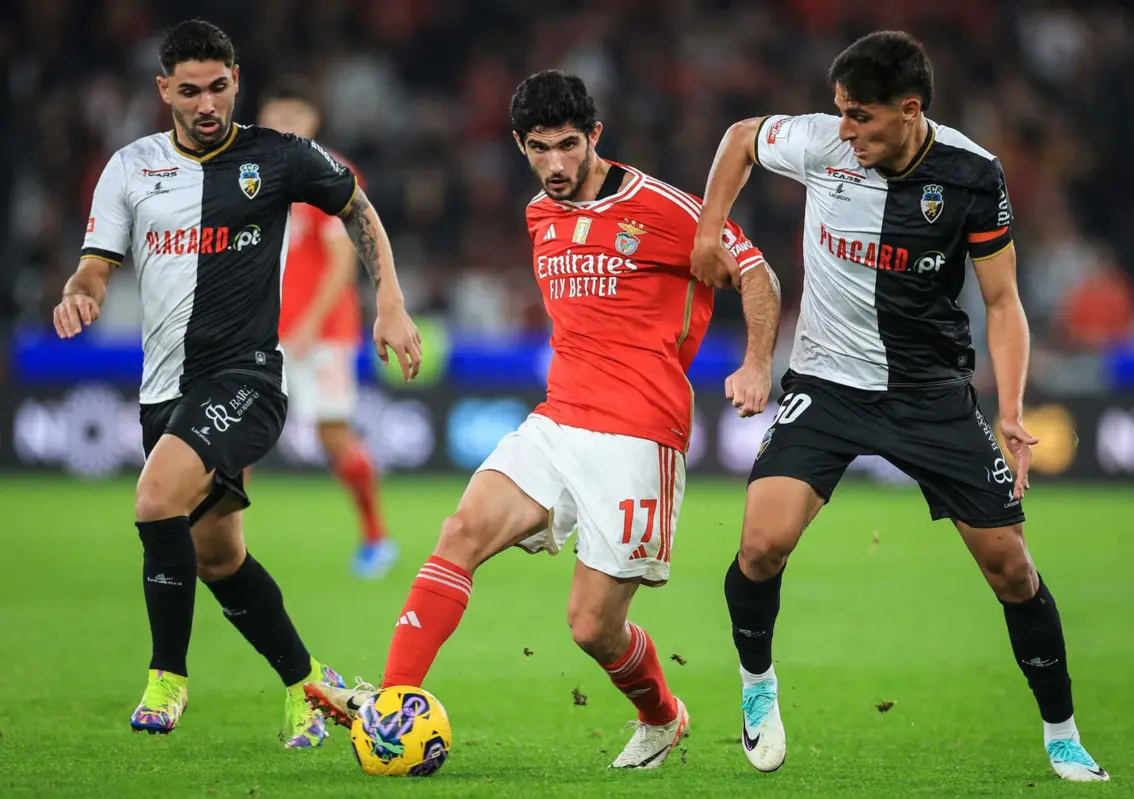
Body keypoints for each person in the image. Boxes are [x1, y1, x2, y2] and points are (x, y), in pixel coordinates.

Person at [305, 70, 781, 770]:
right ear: (519, 145)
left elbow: (758, 271)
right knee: (459, 531)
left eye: (567, 146)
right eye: (538, 149)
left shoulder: (664, 208)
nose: (554, 165)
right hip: (558, 421)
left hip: (639, 434)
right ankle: (394, 702)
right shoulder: (538, 213)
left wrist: (757, 363)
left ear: (594, 137)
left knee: (592, 627)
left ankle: (662, 714)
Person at [688, 30, 1108, 781]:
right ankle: (757, 689)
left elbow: (1004, 300)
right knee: (759, 544)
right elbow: (741, 138)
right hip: (826, 381)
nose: (844, 132)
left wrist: (1010, 408)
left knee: (1011, 568)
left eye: (861, 118)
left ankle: (1063, 730)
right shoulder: (822, 143)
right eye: (840, 113)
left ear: (909, 110)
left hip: (929, 392)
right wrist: (707, 231)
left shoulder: (973, 174)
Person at [53, 19, 421, 747]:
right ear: (165, 90)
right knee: (220, 556)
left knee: (155, 496)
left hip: (248, 375)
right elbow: (96, 260)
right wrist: (82, 289)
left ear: (236, 80)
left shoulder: (276, 157)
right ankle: (309, 682)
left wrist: (392, 303)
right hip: (165, 389)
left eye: (218, 86)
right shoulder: (131, 167)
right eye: (189, 90)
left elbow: (358, 207)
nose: (206, 103)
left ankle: (167, 675)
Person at [258, 78, 398, 579]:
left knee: (333, 436)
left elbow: (344, 259)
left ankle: (376, 538)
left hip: (321, 332)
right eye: (276, 115)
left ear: (313, 122)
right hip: (262, 331)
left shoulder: (329, 172)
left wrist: (309, 324)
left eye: (294, 116)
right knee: (238, 436)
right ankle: (219, 546)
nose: (284, 125)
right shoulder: (252, 174)